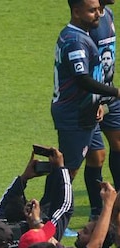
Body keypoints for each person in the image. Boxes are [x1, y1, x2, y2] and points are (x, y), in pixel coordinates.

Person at [52, 0, 119, 181]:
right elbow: (82, 76)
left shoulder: (106, 16)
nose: (96, 14)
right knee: (69, 168)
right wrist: (111, 94)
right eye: (92, 10)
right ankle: (49, 206)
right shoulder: (80, 34)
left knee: (100, 154)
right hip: (80, 106)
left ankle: (102, 207)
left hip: (98, 97)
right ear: (78, 12)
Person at [85, 0, 120, 218]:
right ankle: (97, 212)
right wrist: (95, 100)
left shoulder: (108, 15)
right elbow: (86, 65)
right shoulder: (90, 22)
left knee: (119, 145)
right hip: (92, 100)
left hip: (110, 94)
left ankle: (118, 203)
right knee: (96, 157)